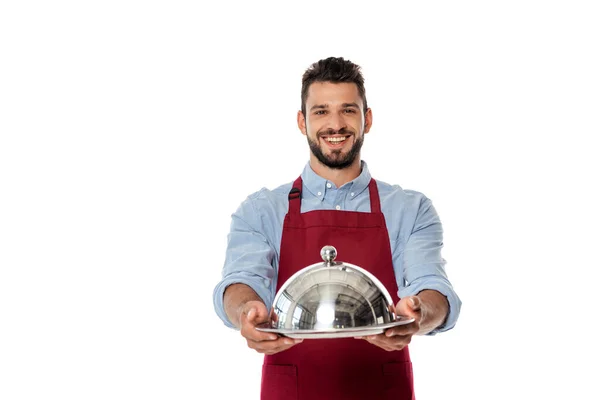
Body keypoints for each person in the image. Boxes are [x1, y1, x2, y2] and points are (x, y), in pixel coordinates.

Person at [212, 56, 461, 400]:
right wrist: (247, 310)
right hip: (293, 390)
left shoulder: (410, 208)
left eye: (348, 110)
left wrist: (419, 314)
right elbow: (242, 280)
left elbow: (432, 285)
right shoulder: (261, 209)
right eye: (320, 111)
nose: (335, 124)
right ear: (302, 121)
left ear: (367, 119)